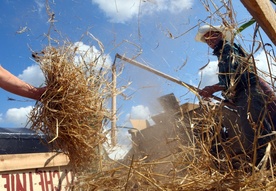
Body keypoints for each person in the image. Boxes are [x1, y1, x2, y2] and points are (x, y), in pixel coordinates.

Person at [195, 24, 273, 164]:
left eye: (212, 36)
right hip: (242, 94)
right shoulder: (223, 53)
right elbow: (231, 81)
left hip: (248, 92)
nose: (210, 41)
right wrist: (229, 97)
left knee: (255, 131)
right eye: (207, 40)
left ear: (220, 35)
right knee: (254, 129)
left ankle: (267, 163)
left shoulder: (228, 49)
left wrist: (212, 88)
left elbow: (233, 76)